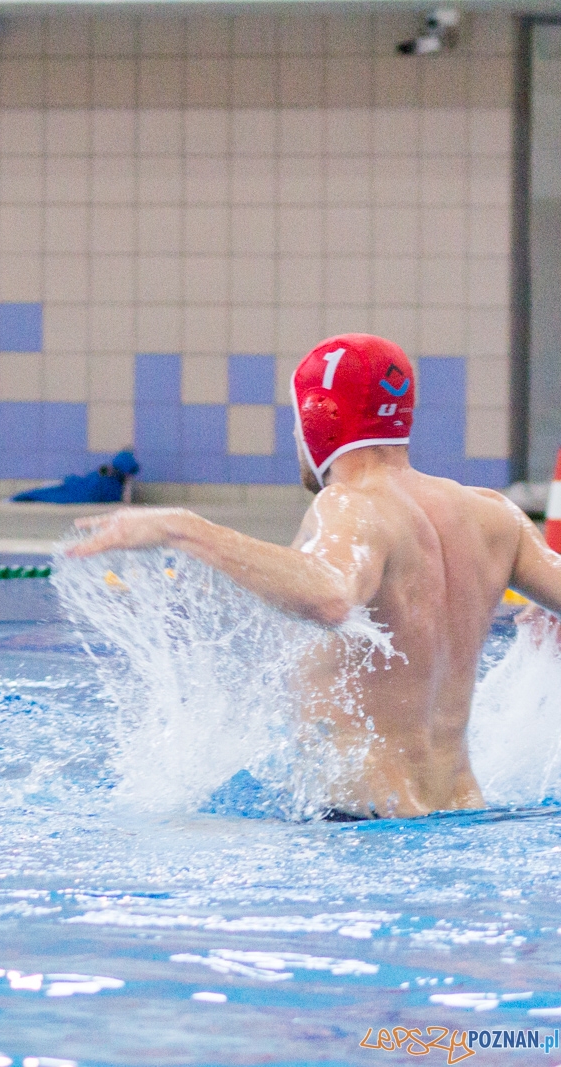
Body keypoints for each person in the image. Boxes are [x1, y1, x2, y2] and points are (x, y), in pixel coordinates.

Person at [68, 333, 561, 819]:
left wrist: (183, 529)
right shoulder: (492, 514)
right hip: (465, 816)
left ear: (317, 417)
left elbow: (330, 596)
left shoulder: (351, 505)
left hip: (365, 832)